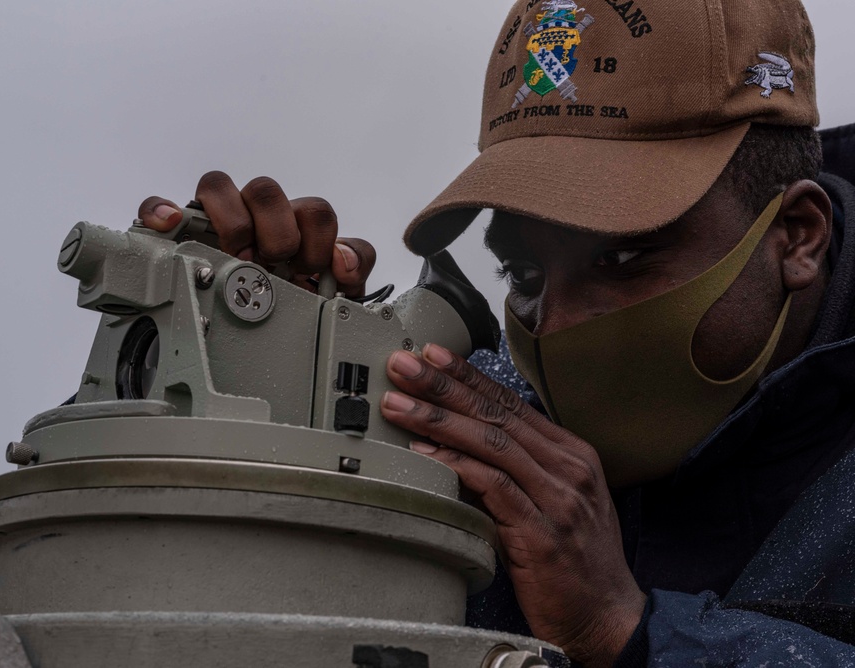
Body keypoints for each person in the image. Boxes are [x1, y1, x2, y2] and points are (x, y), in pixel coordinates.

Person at [137, 0, 855, 664]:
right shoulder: (488, 434)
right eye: (524, 274)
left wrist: (627, 631)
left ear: (797, 238)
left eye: (623, 255)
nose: (560, 326)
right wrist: (274, 373)